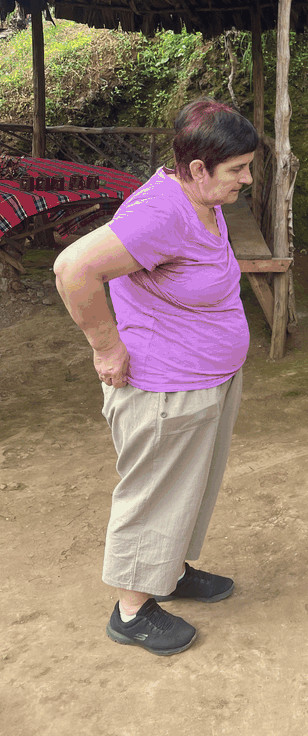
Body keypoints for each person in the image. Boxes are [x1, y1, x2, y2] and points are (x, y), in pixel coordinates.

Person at [54, 98, 260, 656]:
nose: (248, 177)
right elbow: (73, 269)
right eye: (238, 169)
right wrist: (106, 347)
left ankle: (165, 571)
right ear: (197, 169)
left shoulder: (200, 199)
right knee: (153, 492)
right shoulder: (160, 213)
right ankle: (132, 609)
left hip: (205, 380)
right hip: (164, 387)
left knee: (189, 486)